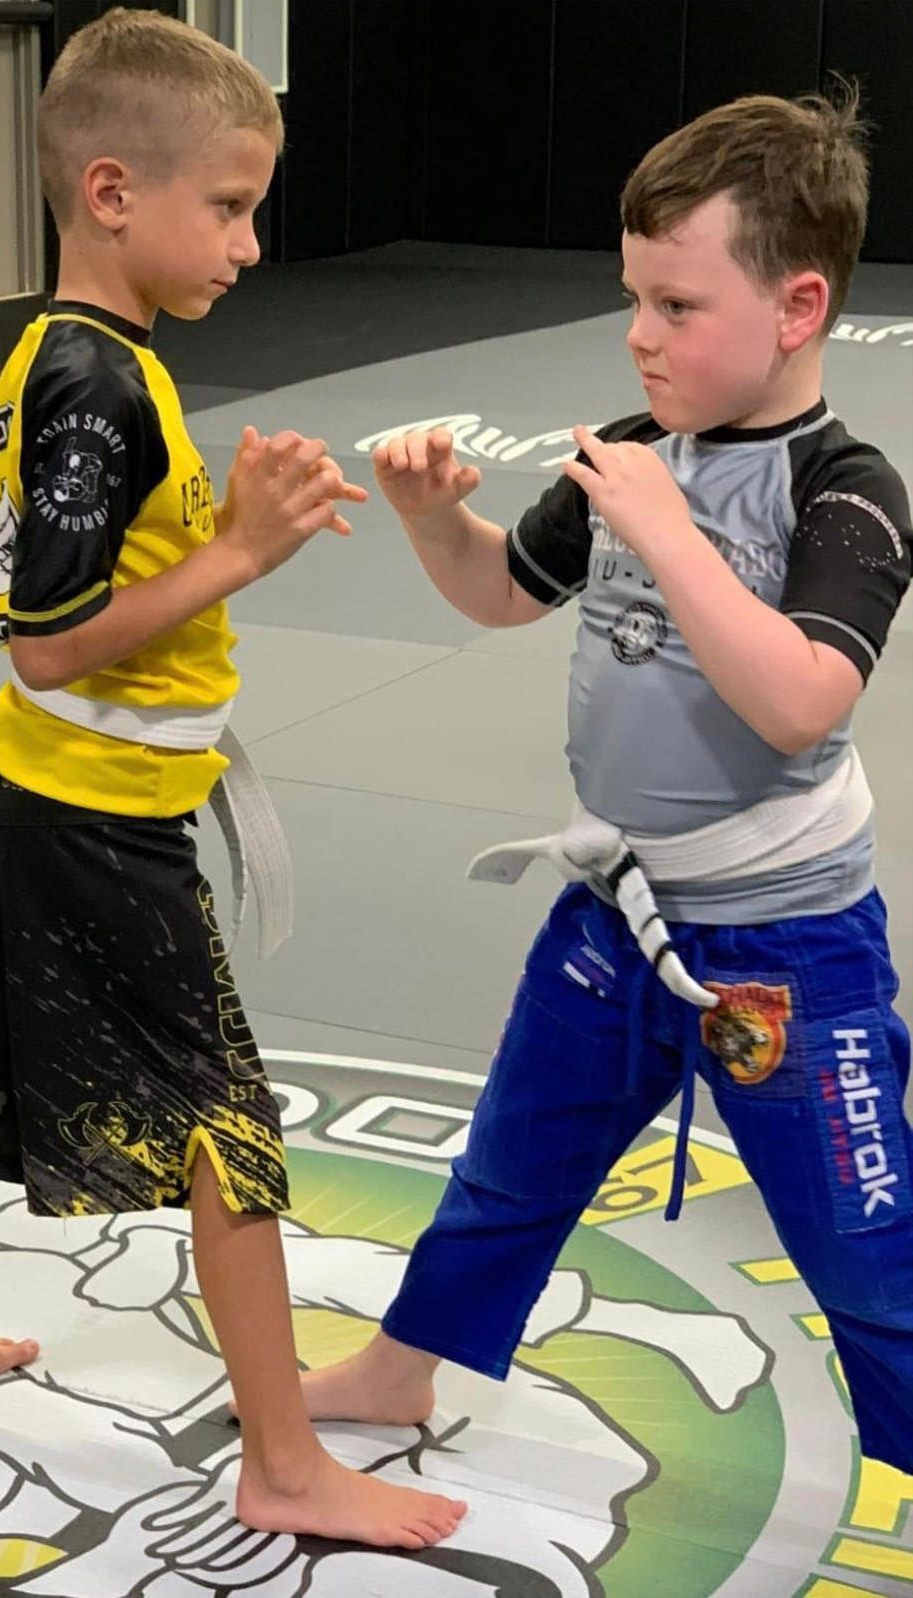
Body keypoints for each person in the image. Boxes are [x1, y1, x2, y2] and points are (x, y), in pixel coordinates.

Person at [0, 7, 466, 1550]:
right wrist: (242, 551)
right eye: (231, 206)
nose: (252, 244)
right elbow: (47, 642)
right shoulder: (94, 386)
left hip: (26, 804)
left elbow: (62, 617)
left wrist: (219, 542)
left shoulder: (85, 359)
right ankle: (280, 1459)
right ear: (112, 191)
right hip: (90, 825)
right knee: (227, 1129)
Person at [291, 88, 913, 1473]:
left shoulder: (845, 486)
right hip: (614, 917)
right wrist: (430, 517)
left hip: (783, 949)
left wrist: (673, 536)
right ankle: (405, 1367)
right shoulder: (628, 455)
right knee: (510, 1163)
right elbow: (506, 592)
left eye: (677, 307)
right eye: (633, 299)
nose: (639, 335)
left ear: (797, 306)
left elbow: (805, 697)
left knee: (869, 1255)